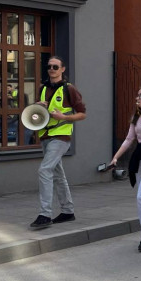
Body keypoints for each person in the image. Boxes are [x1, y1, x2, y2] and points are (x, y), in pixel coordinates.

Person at [29, 56, 87, 230]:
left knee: (44, 170)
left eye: (55, 67)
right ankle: (68, 211)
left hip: (61, 136)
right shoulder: (42, 88)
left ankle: (45, 214)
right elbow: (35, 114)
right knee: (58, 174)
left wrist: (64, 117)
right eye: (49, 67)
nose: (52, 69)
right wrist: (37, 106)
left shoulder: (69, 89)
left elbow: (82, 114)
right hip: (45, 136)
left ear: (62, 69)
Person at [108, 85, 141, 251]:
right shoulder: (136, 117)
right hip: (140, 159)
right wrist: (116, 157)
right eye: (137, 95)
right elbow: (128, 139)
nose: (137, 98)